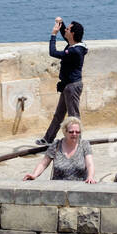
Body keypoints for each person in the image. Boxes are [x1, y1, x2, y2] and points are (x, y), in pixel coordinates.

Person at [38, 16, 88, 147]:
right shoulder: (74, 44)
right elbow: (65, 35)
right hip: (67, 86)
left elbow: (53, 52)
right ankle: (48, 139)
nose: (65, 30)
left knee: (74, 116)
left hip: (72, 87)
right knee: (59, 114)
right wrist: (60, 23)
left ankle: (78, 143)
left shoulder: (75, 51)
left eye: (67, 29)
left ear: (72, 33)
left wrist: (53, 35)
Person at [24, 116, 95, 183]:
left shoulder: (84, 145)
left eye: (77, 132)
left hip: (79, 188)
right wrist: (34, 175)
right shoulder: (56, 145)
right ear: (65, 132)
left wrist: (90, 176)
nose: (74, 134)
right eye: (71, 132)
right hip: (58, 189)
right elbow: (43, 164)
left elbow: (90, 164)